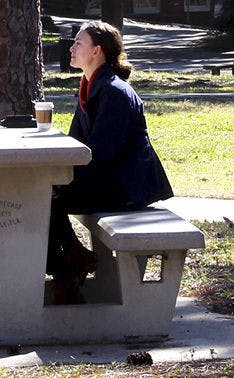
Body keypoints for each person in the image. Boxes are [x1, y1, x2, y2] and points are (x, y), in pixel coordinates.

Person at [47, 20, 174, 304]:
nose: (71, 47)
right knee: (41, 195)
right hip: (106, 179)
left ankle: (69, 266)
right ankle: (70, 264)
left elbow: (100, 155)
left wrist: (60, 181)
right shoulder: (90, 86)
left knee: (42, 199)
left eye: (79, 43)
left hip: (126, 189)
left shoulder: (115, 93)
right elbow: (75, 147)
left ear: (97, 52)